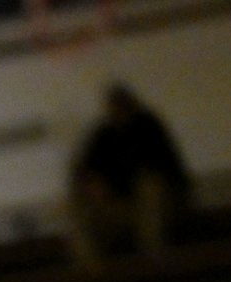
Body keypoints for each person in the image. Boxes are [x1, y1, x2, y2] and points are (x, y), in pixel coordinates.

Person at [68, 83, 190, 267]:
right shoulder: (103, 134)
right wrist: (94, 185)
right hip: (117, 205)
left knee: (150, 187)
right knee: (78, 206)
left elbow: (167, 169)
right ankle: (90, 269)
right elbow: (84, 171)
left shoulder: (149, 127)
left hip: (157, 203)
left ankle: (154, 256)